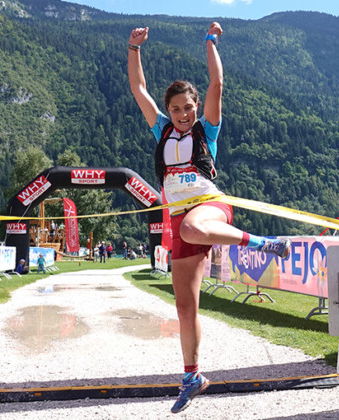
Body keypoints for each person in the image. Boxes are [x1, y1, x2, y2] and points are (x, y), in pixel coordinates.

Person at [128, 22, 291, 414]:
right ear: (168, 111)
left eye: (188, 107)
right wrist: (133, 49)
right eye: (176, 109)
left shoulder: (207, 130)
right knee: (185, 307)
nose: (183, 114)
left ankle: (262, 243)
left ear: (197, 106)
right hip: (180, 219)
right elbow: (138, 89)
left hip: (211, 207)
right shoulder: (162, 130)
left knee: (192, 226)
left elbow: (217, 82)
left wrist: (210, 41)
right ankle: (192, 376)